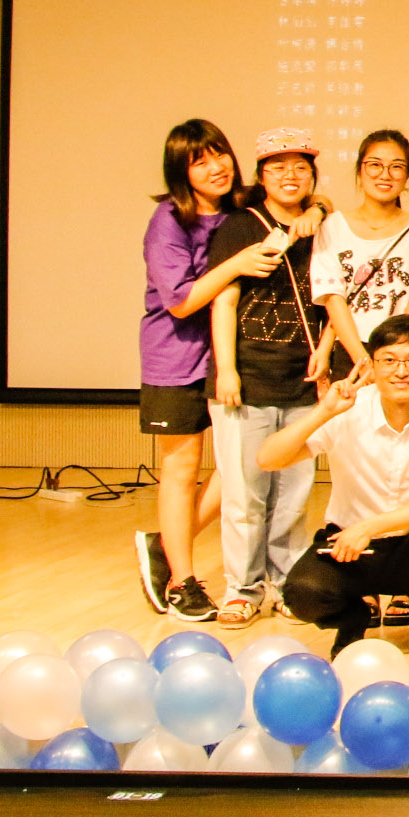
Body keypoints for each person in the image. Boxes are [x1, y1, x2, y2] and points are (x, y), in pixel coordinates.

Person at [137, 118, 282, 622]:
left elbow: (305, 202)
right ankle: (182, 580)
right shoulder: (168, 220)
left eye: (219, 154)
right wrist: (237, 264)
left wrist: (319, 209)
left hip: (231, 358)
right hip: (174, 358)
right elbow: (180, 301)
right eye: (199, 161)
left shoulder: (242, 205)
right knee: (182, 469)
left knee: (239, 465)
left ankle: (165, 544)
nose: (215, 166)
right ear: (181, 172)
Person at [262, 315, 409, 654]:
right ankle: (354, 620)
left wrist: (370, 527)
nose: (401, 371)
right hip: (351, 549)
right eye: (388, 360)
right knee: (302, 592)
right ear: (372, 365)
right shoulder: (348, 407)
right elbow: (268, 459)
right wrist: (323, 412)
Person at [205, 128, 335, 625]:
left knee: (294, 496)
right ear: (261, 176)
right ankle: (241, 588)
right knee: (244, 494)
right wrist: (227, 370)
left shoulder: (323, 226)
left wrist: (326, 350)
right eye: (278, 167)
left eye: (300, 167)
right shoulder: (240, 226)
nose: (290, 175)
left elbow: (333, 299)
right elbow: (225, 300)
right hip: (247, 379)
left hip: (303, 382)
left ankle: (285, 584)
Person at [311, 128, 409, 381]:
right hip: (349, 352)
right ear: (360, 171)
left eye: (397, 167)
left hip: (402, 357)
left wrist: (405, 358)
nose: (385, 174)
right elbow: (334, 300)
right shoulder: (331, 227)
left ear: (407, 176)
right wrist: (363, 361)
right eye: (375, 165)